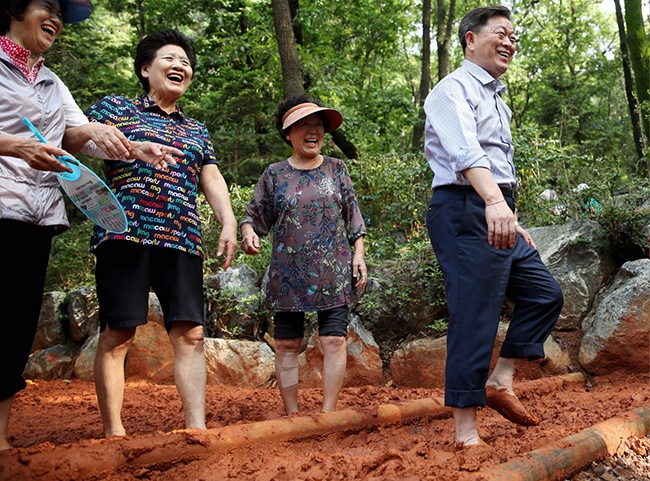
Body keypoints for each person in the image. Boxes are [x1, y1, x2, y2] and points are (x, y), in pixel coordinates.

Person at [0, 0, 181, 450]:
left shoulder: (50, 80)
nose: (58, 17)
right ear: (13, 6)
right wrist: (16, 147)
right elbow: (26, 142)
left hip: (36, 217)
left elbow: (78, 133)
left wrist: (130, 146)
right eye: (49, 5)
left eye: (63, 11)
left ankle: (0, 443)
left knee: (13, 330)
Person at [85, 29, 238, 437]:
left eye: (186, 62)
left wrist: (227, 221)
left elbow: (211, 176)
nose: (180, 66)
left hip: (182, 237)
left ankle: (196, 429)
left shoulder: (197, 130)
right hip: (123, 234)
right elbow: (75, 140)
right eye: (170, 58)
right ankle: (114, 433)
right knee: (118, 333)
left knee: (191, 334)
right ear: (145, 68)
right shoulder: (113, 109)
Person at [423, 6, 564, 448]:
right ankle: (466, 433)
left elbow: (498, 163)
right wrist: (493, 201)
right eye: (501, 33)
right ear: (469, 38)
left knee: (544, 294)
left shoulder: (495, 97)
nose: (510, 42)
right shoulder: (452, 89)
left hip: (496, 207)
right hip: (467, 206)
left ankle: (501, 380)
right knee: (475, 313)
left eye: (514, 37)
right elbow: (466, 155)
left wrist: (507, 210)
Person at [240, 93, 367, 415]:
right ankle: (292, 414)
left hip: (333, 271)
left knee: (334, 340)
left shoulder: (338, 169)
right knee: (286, 345)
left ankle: (327, 412)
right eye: (304, 125)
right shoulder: (274, 175)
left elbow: (353, 216)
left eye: (318, 125)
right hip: (288, 273)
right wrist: (247, 232)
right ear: (288, 133)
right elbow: (255, 216)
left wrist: (359, 255)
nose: (313, 131)